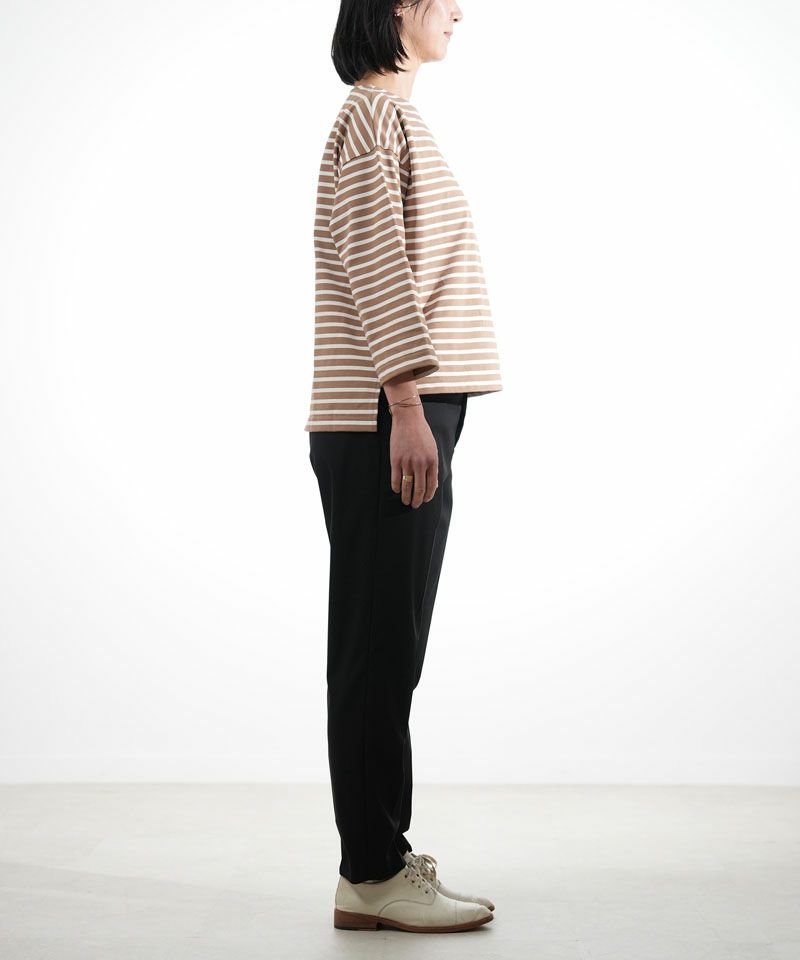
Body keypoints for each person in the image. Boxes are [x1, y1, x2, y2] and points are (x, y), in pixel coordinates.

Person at [305, 0, 503, 933]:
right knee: (378, 648)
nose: (459, 9)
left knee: (390, 645)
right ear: (394, 8)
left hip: (399, 409)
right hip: (388, 415)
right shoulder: (373, 115)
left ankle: (381, 854)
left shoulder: (389, 119)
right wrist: (409, 404)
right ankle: (372, 873)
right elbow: (374, 258)